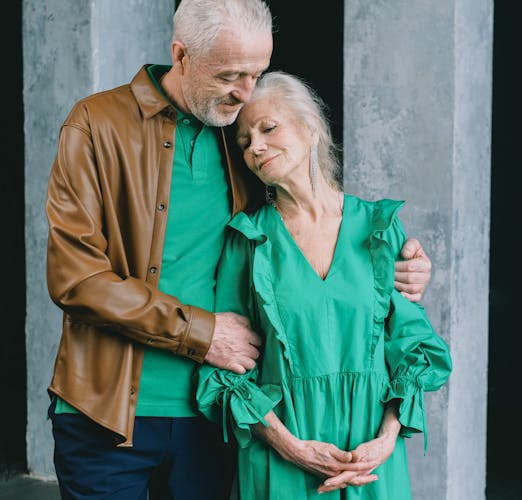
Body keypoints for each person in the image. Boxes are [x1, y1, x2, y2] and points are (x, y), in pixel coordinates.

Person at [44, 1, 432, 499]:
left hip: (216, 419)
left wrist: (402, 266)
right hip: (106, 413)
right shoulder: (97, 124)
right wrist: (201, 333)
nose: (247, 94)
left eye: (257, 73)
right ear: (181, 56)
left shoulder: (239, 133)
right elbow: (75, 278)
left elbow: (312, 224)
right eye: (230, 74)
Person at [193, 71, 452, 499]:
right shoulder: (249, 240)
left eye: (268, 128)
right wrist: (291, 448)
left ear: (310, 128)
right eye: (244, 141)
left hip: (369, 459)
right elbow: (225, 373)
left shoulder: (378, 228)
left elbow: (412, 350)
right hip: (281, 457)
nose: (255, 147)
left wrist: (386, 440)